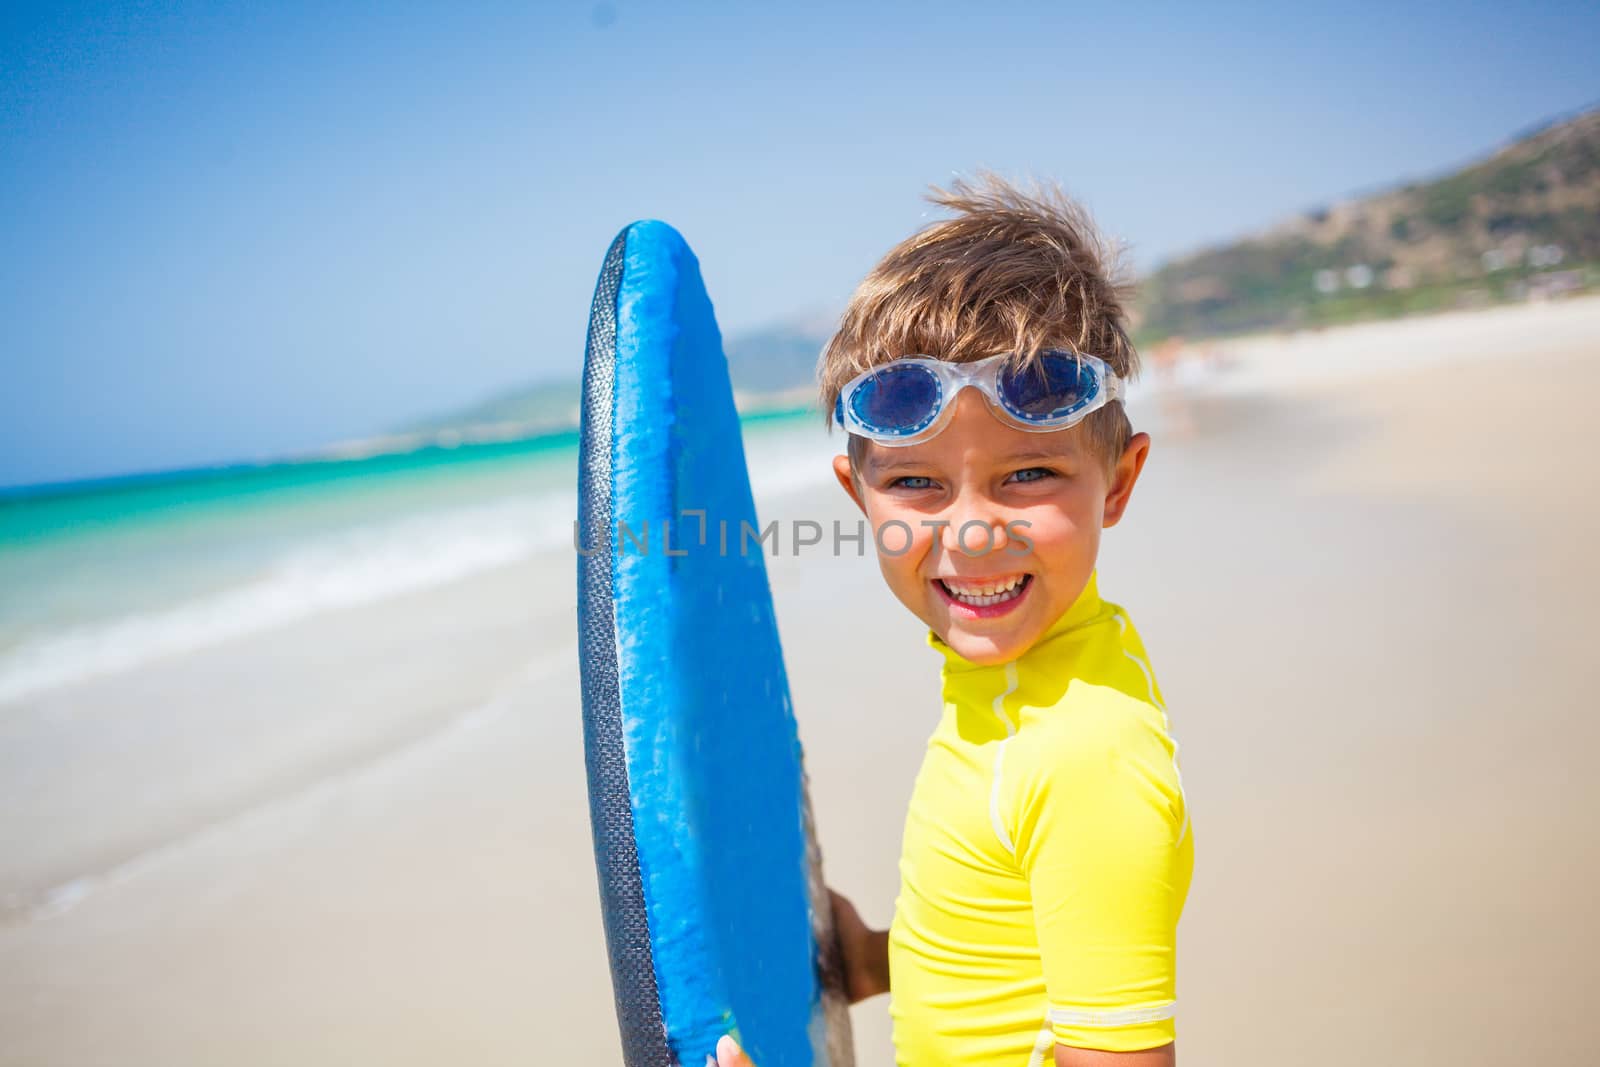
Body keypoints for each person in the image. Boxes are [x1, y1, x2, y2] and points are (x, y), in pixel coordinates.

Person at [716, 176, 1193, 1067]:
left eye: (1027, 476)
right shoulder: (1049, 677)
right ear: (857, 497)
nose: (971, 531)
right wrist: (882, 956)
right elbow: (1029, 941)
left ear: (1119, 483)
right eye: (916, 482)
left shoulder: (1084, 755)